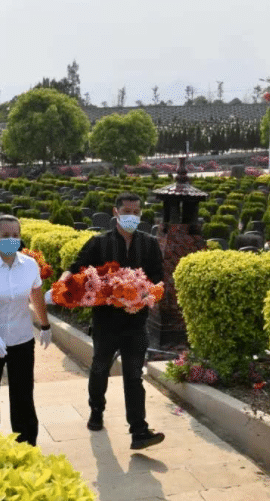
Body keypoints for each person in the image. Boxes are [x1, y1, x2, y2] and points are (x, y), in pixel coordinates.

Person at [60, 192, 165, 450]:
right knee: (100, 367)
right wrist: (63, 284)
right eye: (127, 211)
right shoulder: (99, 243)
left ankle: (139, 430)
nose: (132, 216)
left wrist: (144, 294)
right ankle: (97, 409)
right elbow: (76, 268)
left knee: (133, 374)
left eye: (137, 212)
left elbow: (158, 280)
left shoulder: (149, 245)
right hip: (106, 320)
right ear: (115, 212)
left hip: (135, 321)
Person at [0, 215, 51, 446]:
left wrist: (45, 325)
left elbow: (36, 295)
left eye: (15, 235)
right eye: (5, 236)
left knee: (23, 392)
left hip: (21, 338)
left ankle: (26, 440)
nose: (11, 239)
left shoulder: (30, 265)